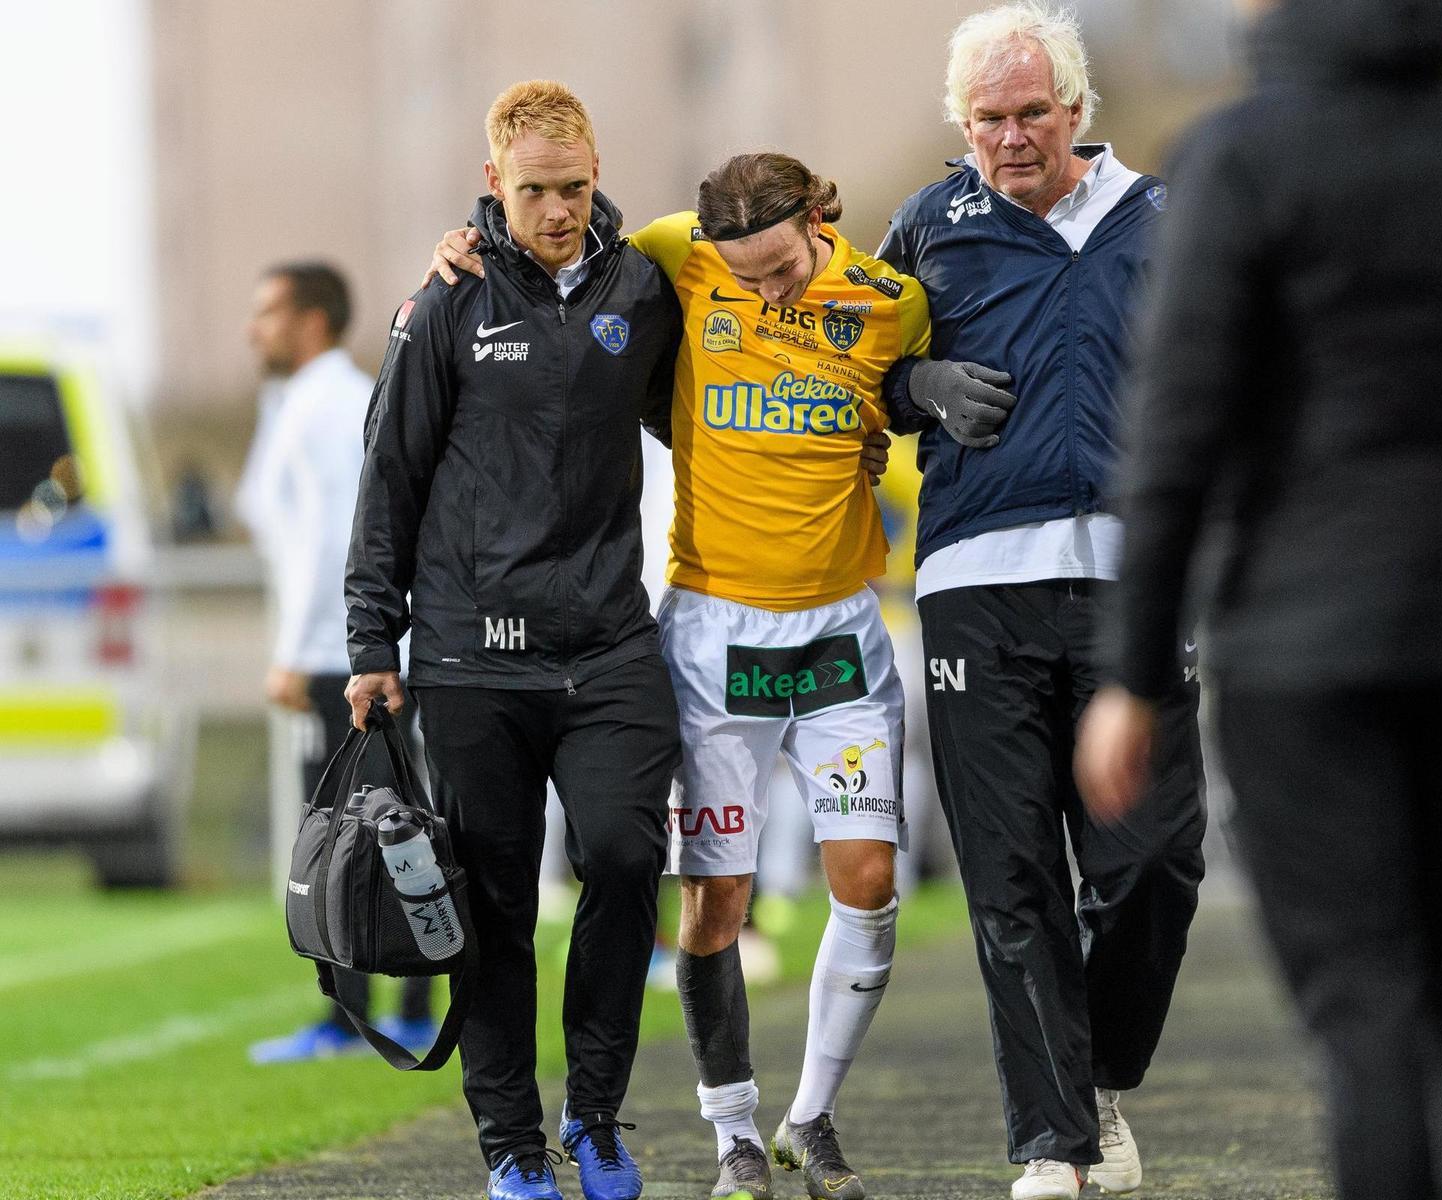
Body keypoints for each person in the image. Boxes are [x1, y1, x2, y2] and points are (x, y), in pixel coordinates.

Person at [1075, 0, 1442, 1196]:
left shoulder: (1242, 155)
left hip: (1295, 638)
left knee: (1362, 1001)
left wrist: (1135, 672)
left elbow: (1176, 432)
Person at [427, 152, 1011, 1200]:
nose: (765, 289)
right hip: (711, 634)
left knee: (870, 883)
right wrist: (466, 244)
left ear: (819, 222)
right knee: (714, 904)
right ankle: (733, 1132)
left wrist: (910, 393)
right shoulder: (670, 253)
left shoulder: (889, 300)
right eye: (743, 275)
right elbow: (558, 258)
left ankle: (811, 1118)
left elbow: (907, 390)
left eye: (781, 268)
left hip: (839, 628)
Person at [874, 6, 1207, 1197]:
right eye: (987, 119)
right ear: (960, 124)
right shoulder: (925, 223)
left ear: (1076, 110)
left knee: (1156, 860)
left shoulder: (1164, 220)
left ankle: (1097, 1070)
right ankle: (1053, 1143)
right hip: (973, 585)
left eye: (1030, 113)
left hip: (1132, 580)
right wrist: (916, 382)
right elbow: (848, 368)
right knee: (1009, 879)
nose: (1010, 138)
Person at [346, 81, 683, 1200]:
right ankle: (509, 1146)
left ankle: (594, 1118)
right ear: (494, 183)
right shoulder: (445, 298)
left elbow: (709, 392)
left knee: (629, 858)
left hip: (610, 644)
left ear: (598, 173)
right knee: (490, 897)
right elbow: (388, 472)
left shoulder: (646, 285)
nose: (555, 209)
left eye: (574, 188)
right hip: (470, 656)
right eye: (533, 190)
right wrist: (370, 641)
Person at [236, 262, 437, 1064]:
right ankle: (414, 1001)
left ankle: (350, 1016)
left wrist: (299, 654)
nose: (256, 329)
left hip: (341, 654)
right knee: (395, 827)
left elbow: (334, 541)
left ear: (313, 319)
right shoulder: (315, 400)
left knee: (345, 836)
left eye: (269, 312)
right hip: (361, 646)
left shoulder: (325, 405)